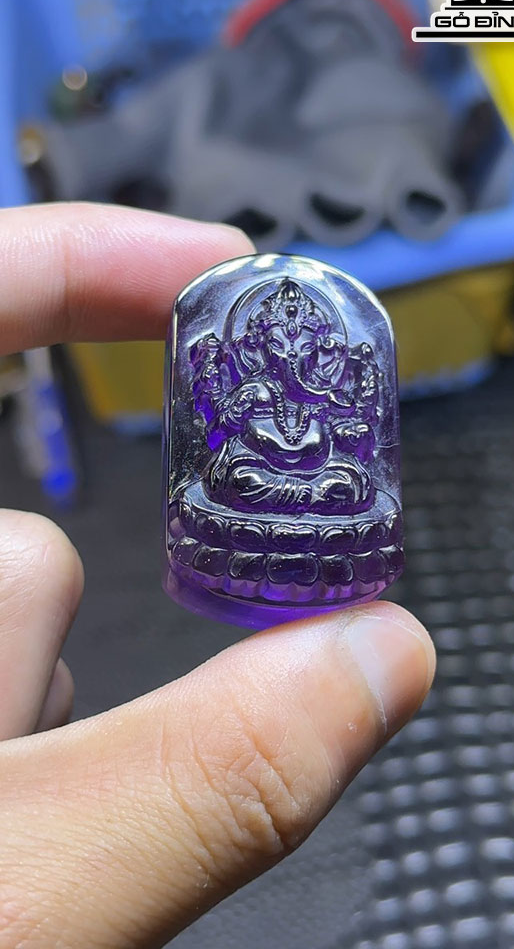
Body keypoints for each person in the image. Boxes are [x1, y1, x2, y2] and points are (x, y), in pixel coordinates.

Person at [0, 202, 435, 948]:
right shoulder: (252, 383)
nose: (294, 349)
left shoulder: (325, 379)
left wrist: (336, 416)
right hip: (253, 485)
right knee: (233, 479)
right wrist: (234, 398)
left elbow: (349, 430)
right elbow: (223, 433)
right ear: (258, 341)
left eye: (307, 339)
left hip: (318, 486)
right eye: (279, 339)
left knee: (350, 485)